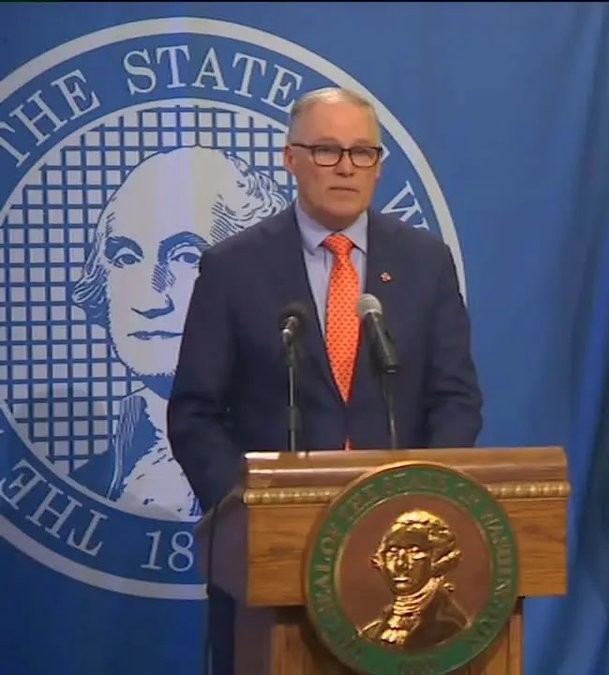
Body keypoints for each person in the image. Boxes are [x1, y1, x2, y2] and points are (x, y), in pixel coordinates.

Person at [167, 86, 483, 675]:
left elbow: (455, 399)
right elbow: (195, 412)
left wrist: (425, 501)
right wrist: (247, 511)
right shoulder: (234, 267)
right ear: (291, 159)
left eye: (362, 152)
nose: (345, 167)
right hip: (274, 552)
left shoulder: (424, 261)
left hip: (393, 548)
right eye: (326, 150)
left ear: (379, 166)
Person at [70, 146, 288, 520]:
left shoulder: (303, 461)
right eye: (126, 257)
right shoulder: (89, 486)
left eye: (187, 256)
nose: (149, 298)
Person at [359, 509, 470, 650]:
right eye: (392, 551)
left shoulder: (451, 629)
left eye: (414, 551)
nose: (400, 564)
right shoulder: (372, 634)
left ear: (438, 559)